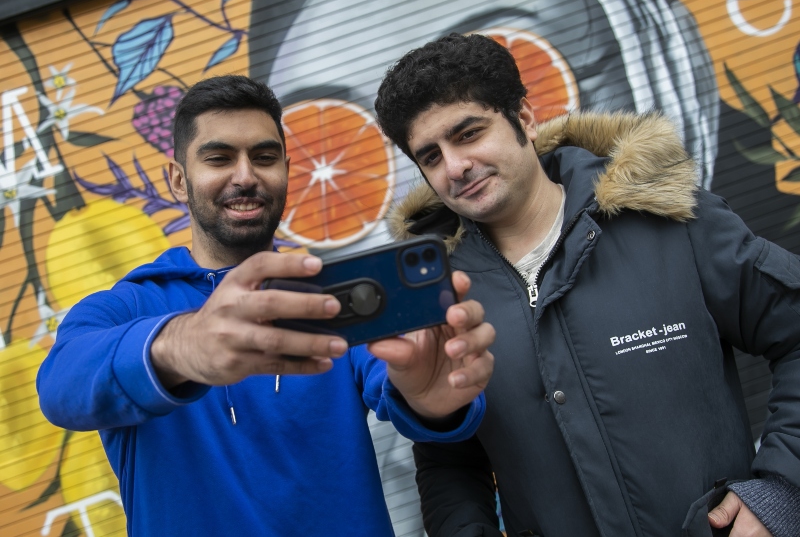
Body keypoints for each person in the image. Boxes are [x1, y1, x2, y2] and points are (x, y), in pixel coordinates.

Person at [374, 33, 800, 537]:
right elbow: (448, 464)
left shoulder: (668, 219)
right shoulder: (441, 295)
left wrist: (781, 487)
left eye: (468, 134)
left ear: (524, 119)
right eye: (431, 157)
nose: (455, 168)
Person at [36, 75, 496, 536]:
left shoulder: (328, 297)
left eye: (264, 157)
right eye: (219, 158)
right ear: (179, 179)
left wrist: (434, 402)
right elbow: (60, 389)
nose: (245, 176)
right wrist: (181, 346)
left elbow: (405, 384)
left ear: (287, 170)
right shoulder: (124, 307)